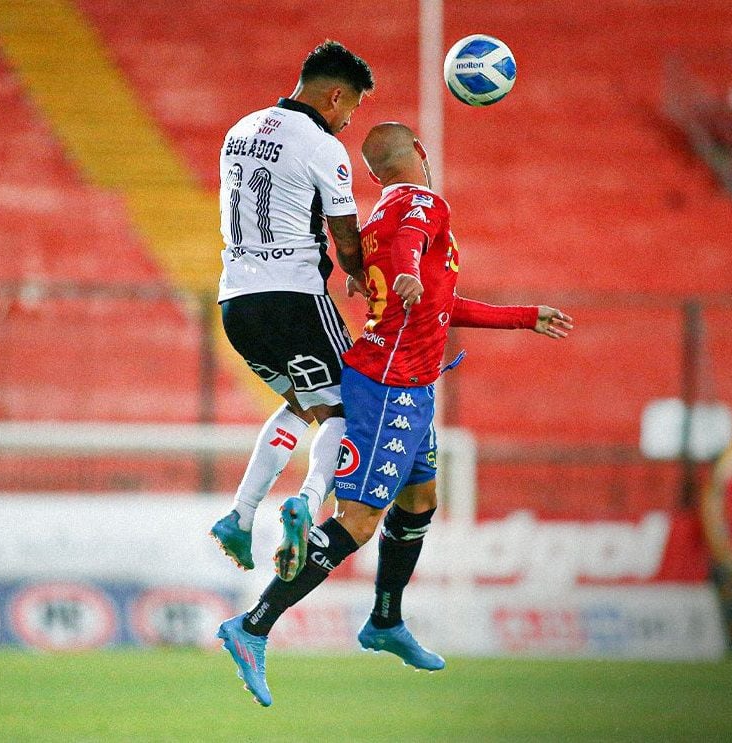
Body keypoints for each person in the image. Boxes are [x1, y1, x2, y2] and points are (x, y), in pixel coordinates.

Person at [216, 121, 574, 706]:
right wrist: (407, 266)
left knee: (418, 501)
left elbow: (439, 301)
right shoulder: (421, 204)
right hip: (388, 389)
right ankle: (253, 625)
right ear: (421, 155)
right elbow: (412, 245)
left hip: (413, 384)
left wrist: (522, 315)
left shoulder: (378, 214)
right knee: (356, 523)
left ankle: (385, 620)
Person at [209, 40, 373, 582]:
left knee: (303, 404)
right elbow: (344, 231)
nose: (349, 120)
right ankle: (307, 501)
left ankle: (240, 514)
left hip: (236, 304)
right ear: (333, 96)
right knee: (348, 405)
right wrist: (357, 271)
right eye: (351, 107)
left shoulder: (241, 129)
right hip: (294, 298)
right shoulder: (321, 145)